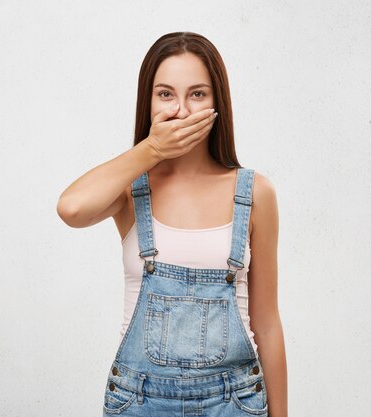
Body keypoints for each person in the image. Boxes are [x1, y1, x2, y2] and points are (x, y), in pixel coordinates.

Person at [57, 31, 287, 417]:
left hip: (234, 403)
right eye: (165, 94)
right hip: (140, 402)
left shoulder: (254, 193)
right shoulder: (131, 191)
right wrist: (152, 149)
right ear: (147, 102)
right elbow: (71, 208)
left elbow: (267, 324)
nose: (181, 110)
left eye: (197, 94)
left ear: (218, 104)